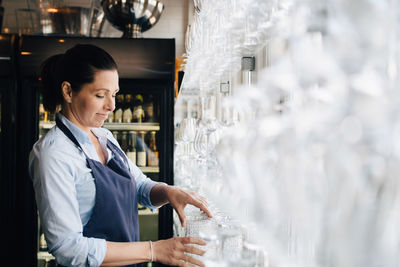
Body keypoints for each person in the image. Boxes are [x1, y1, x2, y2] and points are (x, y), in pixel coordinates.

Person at [29, 44, 212, 267]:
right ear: (68, 91)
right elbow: (68, 249)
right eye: (100, 95)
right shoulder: (53, 154)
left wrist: (168, 192)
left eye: (114, 94)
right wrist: (154, 250)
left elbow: (139, 186)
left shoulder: (104, 136)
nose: (111, 105)